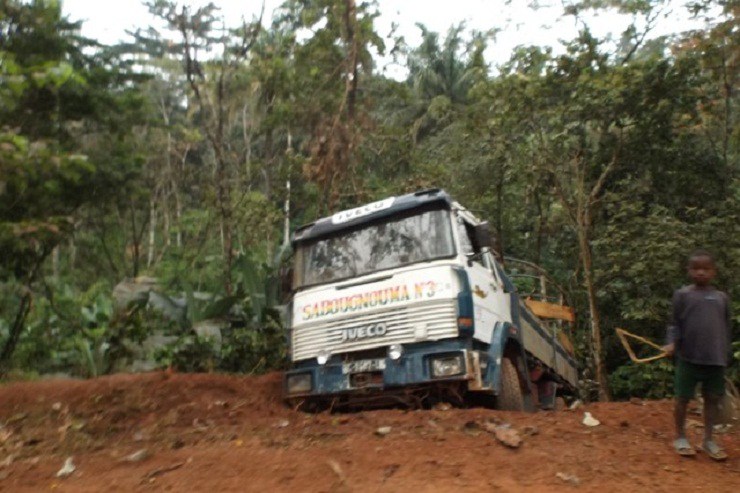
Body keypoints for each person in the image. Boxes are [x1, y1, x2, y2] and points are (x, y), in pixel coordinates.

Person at [663, 249, 732, 461]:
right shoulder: (682, 295)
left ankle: (709, 440)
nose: (700, 272)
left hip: (715, 359)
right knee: (682, 398)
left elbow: (725, 327)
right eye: (696, 268)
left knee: (711, 399)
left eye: (705, 268)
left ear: (714, 271)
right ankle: (681, 437)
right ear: (688, 271)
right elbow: (674, 324)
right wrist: (671, 343)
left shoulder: (721, 298)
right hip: (688, 358)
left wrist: (724, 353)